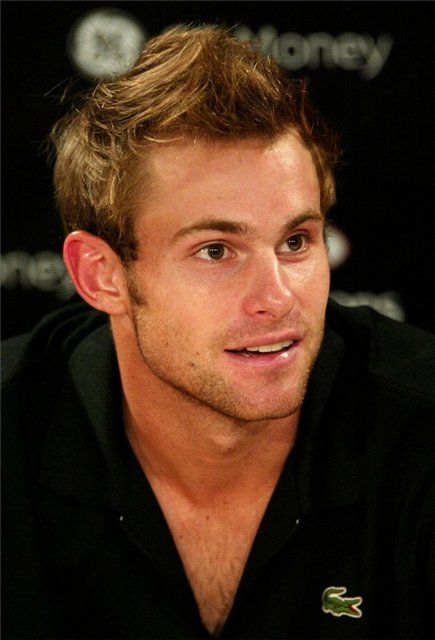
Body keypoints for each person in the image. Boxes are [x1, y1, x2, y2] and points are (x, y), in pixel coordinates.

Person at [2, 24, 434, 640]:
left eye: (295, 241)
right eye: (215, 250)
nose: (277, 299)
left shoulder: (420, 429)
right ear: (101, 276)